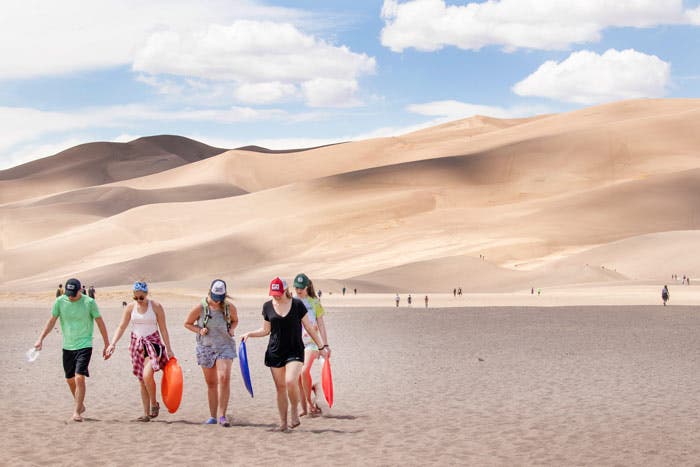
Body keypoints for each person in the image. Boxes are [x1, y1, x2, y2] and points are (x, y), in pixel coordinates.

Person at [241, 277, 329, 432]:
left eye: (278, 293)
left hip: (295, 350)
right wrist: (249, 334)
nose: (275, 296)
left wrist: (321, 346)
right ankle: (283, 422)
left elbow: (308, 327)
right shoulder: (267, 306)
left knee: (290, 381)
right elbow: (266, 330)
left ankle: (294, 410)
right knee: (280, 388)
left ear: (285, 290)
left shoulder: (297, 305)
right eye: (273, 293)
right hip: (275, 352)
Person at [33, 278, 110, 422]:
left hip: (84, 344)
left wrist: (107, 344)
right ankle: (80, 404)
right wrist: (40, 338)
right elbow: (51, 321)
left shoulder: (89, 303)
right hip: (67, 346)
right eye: (68, 293)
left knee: (79, 377)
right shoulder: (60, 302)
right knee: (69, 380)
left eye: (73, 293)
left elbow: (100, 322)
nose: (70, 296)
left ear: (80, 290)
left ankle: (76, 412)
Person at [106, 282, 174, 421]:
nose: (138, 301)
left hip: (152, 343)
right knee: (142, 380)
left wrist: (169, 348)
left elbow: (163, 329)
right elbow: (121, 326)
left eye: (141, 298)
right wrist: (112, 344)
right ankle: (146, 413)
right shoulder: (131, 308)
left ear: (146, 294)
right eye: (135, 298)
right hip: (136, 345)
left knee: (147, 374)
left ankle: (154, 404)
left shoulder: (155, 306)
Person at [184, 279, 238, 426]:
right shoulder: (200, 308)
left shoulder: (229, 307)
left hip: (225, 346)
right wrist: (199, 330)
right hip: (206, 347)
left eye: (219, 298)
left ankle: (222, 416)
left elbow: (235, 320)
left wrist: (232, 329)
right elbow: (187, 323)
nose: (216, 301)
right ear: (210, 293)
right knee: (211, 383)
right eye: (214, 298)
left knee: (224, 377)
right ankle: (213, 416)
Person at [292, 273, 329, 417]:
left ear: (307, 287)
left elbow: (321, 324)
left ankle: (308, 403)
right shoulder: (292, 302)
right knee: (298, 378)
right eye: (296, 287)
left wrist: (325, 345)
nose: (298, 290)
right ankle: (309, 403)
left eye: (301, 288)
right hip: (296, 344)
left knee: (304, 370)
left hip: (312, 343)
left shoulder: (314, 302)